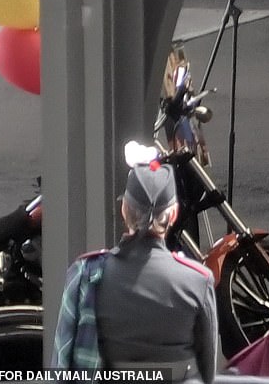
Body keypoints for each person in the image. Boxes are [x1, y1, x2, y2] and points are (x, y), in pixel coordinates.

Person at [53, 163, 218, 384]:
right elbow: (208, 372)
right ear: (174, 214)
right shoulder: (199, 280)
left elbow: (61, 362)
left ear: (124, 209)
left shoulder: (85, 274)